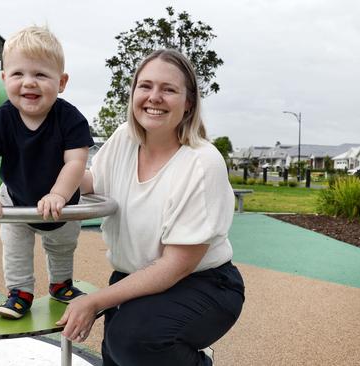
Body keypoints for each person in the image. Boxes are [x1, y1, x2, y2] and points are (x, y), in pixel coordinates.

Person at [57, 49, 245, 365]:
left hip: (204, 284)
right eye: (145, 86)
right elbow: (90, 181)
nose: (154, 97)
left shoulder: (201, 162)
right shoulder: (124, 139)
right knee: (118, 354)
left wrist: (95, 301)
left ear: (188, 103)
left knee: (133, 341)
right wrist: (40, 176)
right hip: (135, 276)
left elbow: (176, 266)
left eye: (168, 89)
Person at [0, 25, 94, 319]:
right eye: (18, 74)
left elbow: (75, 161)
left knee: (62, 245)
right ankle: (19, 291)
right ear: (4, 79)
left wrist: (58, 194)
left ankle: (61, 283)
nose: (29, 83)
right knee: (15, 249)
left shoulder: (70, 118)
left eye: (40, 75)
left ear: (61, 82)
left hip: (61, 202)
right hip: (15, 199)